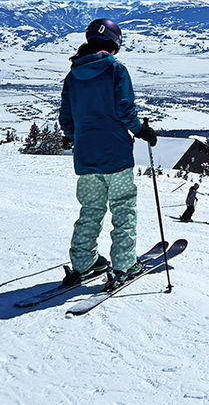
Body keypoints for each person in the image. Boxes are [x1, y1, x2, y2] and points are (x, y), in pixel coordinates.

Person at [59, 18, 157, 290]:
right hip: (115, 155)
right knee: (123, 209)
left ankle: (83, 263)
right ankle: (124, 265)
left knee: (90, 210)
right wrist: (142, 131)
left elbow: (66, 118)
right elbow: (125, 110)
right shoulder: (115, 69)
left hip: (86, 156)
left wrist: (74, 138)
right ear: (115, 42)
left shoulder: (73, 74)